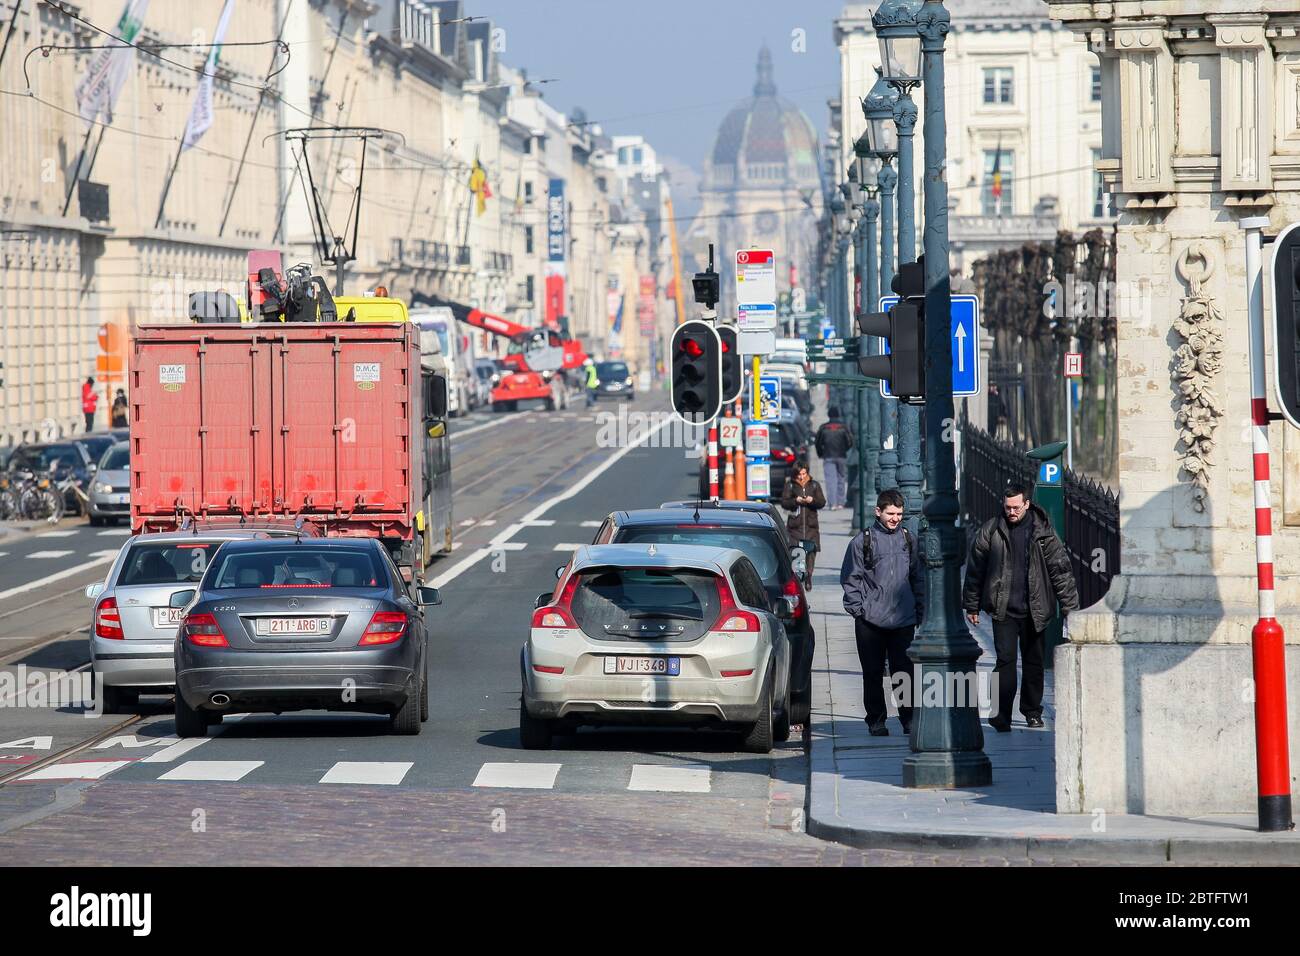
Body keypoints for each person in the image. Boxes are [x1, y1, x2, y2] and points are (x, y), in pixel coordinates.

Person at [963, 481, 1080, 731]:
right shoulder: (991, 531)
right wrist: (971, 606)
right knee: (1004, 661)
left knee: (1033, 662)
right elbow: (975, 571)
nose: (1012, 512)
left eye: (1016, 507)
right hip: (1002, 608)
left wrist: (1071, 609)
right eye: (1007, 507)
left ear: (1027, 503)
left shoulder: (1043, 533)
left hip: (1035, 609)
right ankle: (1001, 714)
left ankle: (1032, 711)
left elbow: (1060, 571)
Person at [840, 488, 924, 736]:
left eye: (899, 513)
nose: (895, 518)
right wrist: (859, 610)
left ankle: (909, 718)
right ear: (878, 511)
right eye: (890, 513)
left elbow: (918, 577)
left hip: (903, 619)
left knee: (904, 672)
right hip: (870, 621)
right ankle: (876, 720)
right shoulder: (862, 541)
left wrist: (920, 609)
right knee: (872, 673)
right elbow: (850, 578)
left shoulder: (909, 539)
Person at [780, 459, 825, 589]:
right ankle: (800, 579)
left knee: (811, 552)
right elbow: (784, 502)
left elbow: (822, 502)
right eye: (799, 474)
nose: (801, 476)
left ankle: (809, 577)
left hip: (811, 526)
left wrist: (812, 500)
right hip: (795, 526)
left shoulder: (814, 485)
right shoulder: (790, 485)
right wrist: (796, 500)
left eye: (804, 474)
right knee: (797, 553)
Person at [815, 405, 853, 509]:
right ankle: (840, 502)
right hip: (841, 456)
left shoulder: (823, 427)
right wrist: (845, 449)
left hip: (828, 456)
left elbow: (817, 442)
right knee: (841, 479)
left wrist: (820, 453)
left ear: (829, 415)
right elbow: (850, 441)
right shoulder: (843, 427)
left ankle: (832, 503)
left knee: (830, 480)